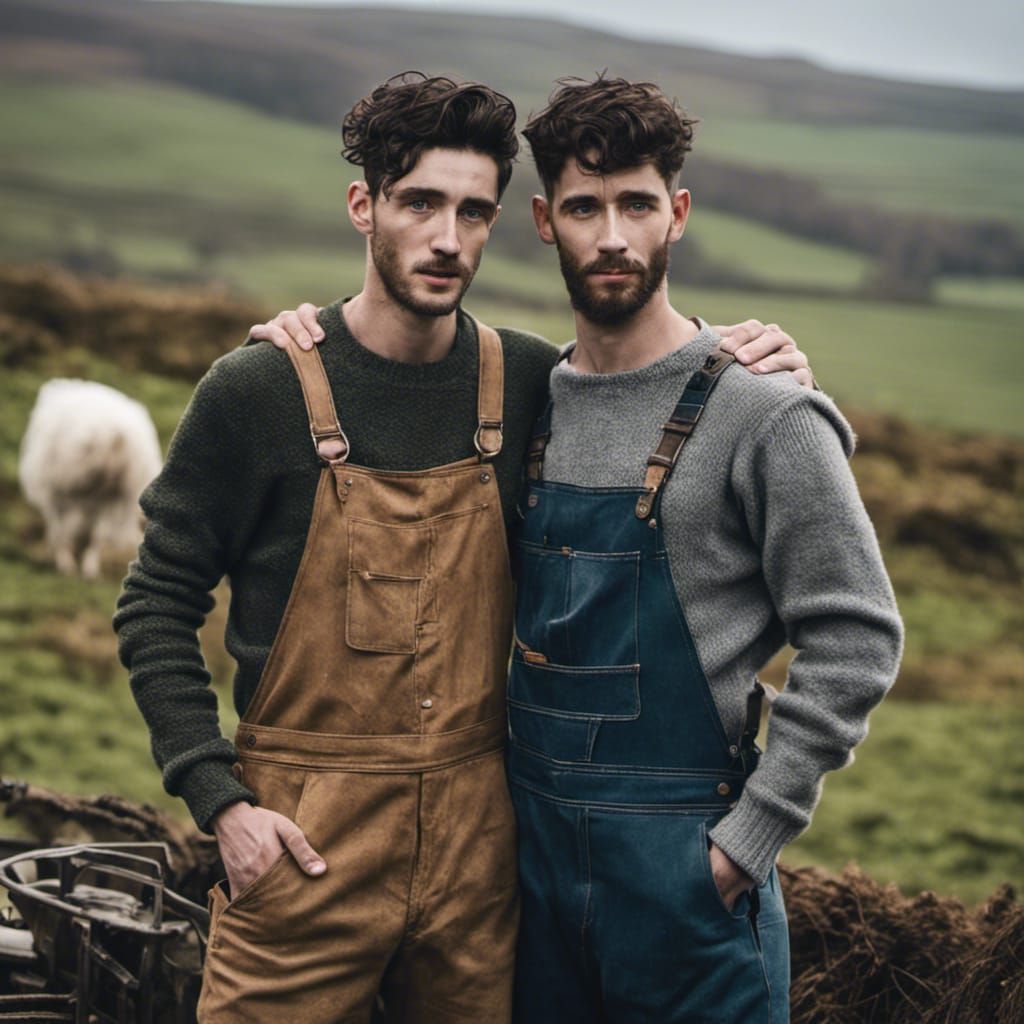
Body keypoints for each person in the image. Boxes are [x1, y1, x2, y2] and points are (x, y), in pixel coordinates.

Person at [116, 73, 813, 1023]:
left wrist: (761, 359)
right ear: (364, 205)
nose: (448, 239)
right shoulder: (255, 392)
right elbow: (155, 601)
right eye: (421, 203)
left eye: (473, 211)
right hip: (300, 852)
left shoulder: (528, 380)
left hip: (480, 869)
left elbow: (644, 382)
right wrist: (219, 802)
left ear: (501, 221)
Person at [505, 77, 901, 1023]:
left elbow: (859, 637)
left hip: (688, 893)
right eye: (584, 207)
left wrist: (745, 843)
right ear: (541, 219)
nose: (612, 236)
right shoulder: (522, 402)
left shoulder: (764, 412)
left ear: (677, 213)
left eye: (637, 204)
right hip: (528, 885)